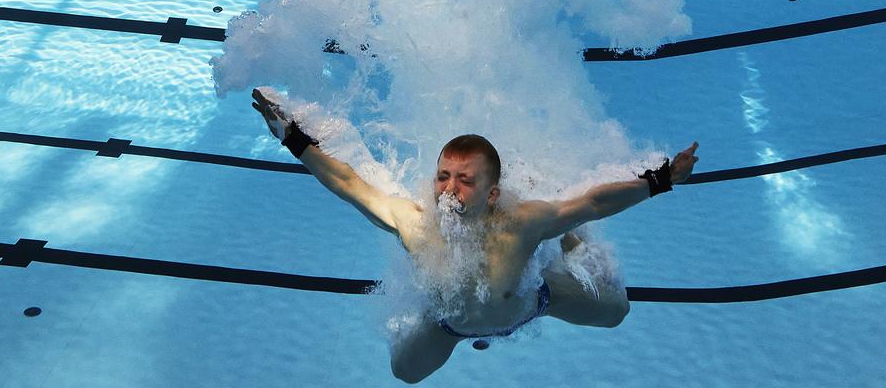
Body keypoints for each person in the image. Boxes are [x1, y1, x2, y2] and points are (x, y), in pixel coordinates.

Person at [252, 86, 699, 384]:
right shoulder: (413, 224)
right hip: (449, 326)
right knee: (403, 373)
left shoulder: (519, 225)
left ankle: (569, 240)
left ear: (492, 193)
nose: (449, 190)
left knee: (616, 310)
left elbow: (594, 202)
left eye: (464, 180)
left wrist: (660, 180)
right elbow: (349, 184)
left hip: (537, 302)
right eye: (443, 176)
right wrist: (292, 138)